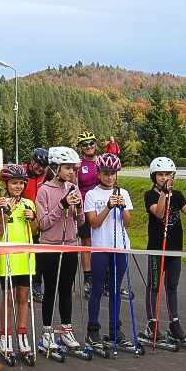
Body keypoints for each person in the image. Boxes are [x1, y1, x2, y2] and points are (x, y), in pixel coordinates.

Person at [142, 156, 186, 344]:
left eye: (167, 174)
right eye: (160, 174)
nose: (164, 178)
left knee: (172, 286)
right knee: (154, 286)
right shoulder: (150, 195)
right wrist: (164, 194)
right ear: (154, 176)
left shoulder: (178, 194)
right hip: (158, 249)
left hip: (175, 248)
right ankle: (152, 324)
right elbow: (159, 212)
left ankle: (174, 323)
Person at [36, 146, 85, 354]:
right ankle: (47, 332)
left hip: (71, 244)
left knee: (67, 290)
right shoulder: (44, 190)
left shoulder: (73, 189)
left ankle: (66, 329)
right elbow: (43, 223)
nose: (71, 172)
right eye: (67, 168)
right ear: (55, 168)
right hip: (50, 246)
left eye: (73, 169)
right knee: (51, 290)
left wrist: (78, 207)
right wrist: (62, 206)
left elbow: (80, 221)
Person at [84, 153, 134, 348]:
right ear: (98, 173)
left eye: (112, 173)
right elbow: (94, 223)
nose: (109, 177)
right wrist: (107, 206)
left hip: (120, 247)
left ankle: (115, 329)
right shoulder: (92, 195)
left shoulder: (124, 193)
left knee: (115, 289)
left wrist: (122, 208)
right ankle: (93, 329)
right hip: (100, 248)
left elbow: (128, 223)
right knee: (97, 288)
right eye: (105, 173)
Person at [0, 164, 38, 362]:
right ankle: (5, 337)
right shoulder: (1, 203)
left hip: (26, 258)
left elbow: (36, 231)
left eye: (21, 183)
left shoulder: (29, 203)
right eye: (14, 183)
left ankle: (22, 335)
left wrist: (34, 218)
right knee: (8, 299)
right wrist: (6, 212)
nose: (18, 186)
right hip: (7, 258)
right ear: (6, 183)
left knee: (23, 299)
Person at [75, 131, 100, 293]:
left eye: (91, 143)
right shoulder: (78, 165)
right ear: (80, 147)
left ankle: (105, 278)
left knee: (103, 243)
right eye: (85, 144)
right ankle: (88, 278)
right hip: (85, 207)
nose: (89, 146)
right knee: (87, 243)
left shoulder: (103, 161)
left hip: (102, 206)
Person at [23, 148, 48, 301]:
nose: (41, 168)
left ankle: (36, 285)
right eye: (38, 164)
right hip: (24, 218)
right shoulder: (22, 172)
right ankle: (24, 284)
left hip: (40, 219)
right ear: (32, 161)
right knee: (25, 253)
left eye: (44, 166)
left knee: (39, 254)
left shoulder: (47, 175)